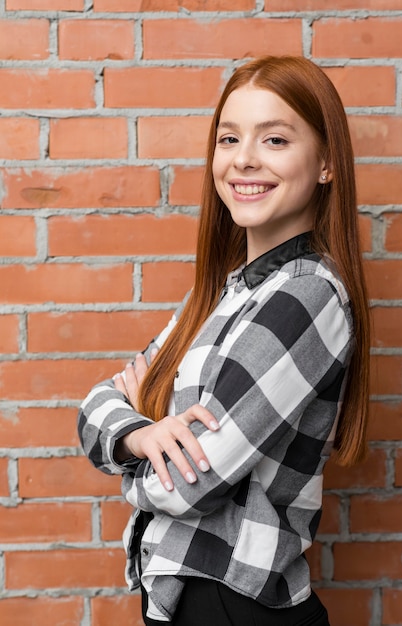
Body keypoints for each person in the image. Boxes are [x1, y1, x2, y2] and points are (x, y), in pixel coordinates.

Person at [78, 55, 370, 626]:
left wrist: (129, 447)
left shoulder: (307, 295)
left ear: (327, 162)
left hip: (234, 605)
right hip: (191, 601)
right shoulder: (217, 293)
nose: (243, 160)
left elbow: (192, 484)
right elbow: (95, 403)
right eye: (229, 137)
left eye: (276, 140)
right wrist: (141, 435)